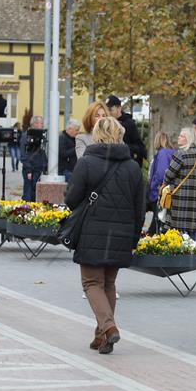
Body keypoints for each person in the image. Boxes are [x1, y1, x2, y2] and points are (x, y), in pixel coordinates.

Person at [65, 117, 143, 354]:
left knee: (91, 282)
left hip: (92, 231)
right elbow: (140, 208)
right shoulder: (132, 166)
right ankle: (101, 336)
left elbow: (71, 199)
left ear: (97, 135)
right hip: (122, 233)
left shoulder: (87, 162)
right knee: (108, 282)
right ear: (119, 135)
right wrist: (134, 239)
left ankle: (109, 327)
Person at [161, 127, 196, 238]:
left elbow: (169, 174)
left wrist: (164, 184)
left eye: (181, 136)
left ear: (188, 138)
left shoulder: (180, 154)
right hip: (195, 198)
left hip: (180, 198)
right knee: (192, 234)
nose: (178, 138)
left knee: (177, 234)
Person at [106, 95, 146, 168]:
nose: (108, 113)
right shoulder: (106, 124)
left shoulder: (129, 124)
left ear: (119, 108)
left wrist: (123, 146)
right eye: (107, 110)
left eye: (110, 109)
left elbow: (140, 148)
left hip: (126, 165)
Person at [147, 131, 175, 235]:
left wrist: (153, 186)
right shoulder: (172, 152)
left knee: (158, 218)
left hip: (160, 191)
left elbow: (160, 173)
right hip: (169, 190)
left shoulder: (162, 153)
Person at [20, 116, 47, 201]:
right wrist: (28, 170)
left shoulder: (40, 136)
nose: (42, 125)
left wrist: (45, 165)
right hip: (30, 169)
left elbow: (42, 152)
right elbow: (24, 155)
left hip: (38, 168)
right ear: (35, 124)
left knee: (35, 194)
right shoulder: (26, 136)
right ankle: (25, 210)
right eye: (41, 123)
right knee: (28, 193)